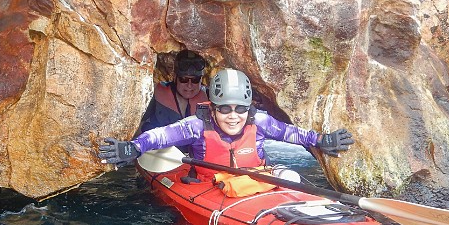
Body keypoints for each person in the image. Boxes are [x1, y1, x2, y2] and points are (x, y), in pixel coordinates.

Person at [99, 68, 354, 181]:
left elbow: (291, 133)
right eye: (224, 109)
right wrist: (134, 147)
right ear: (212, 107)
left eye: (240, 109)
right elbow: (160, 136)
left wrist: (321, 140)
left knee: (291, 177)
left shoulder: (259, 120)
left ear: (249, 107)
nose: (233, 116)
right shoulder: (196, 125)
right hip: (211, 185)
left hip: (256, 181)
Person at [136, 49, 208, 134]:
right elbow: (136, 126)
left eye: (195, 80)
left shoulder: (209, 97)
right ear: (175, 77)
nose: (189, 85)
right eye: (183, 79)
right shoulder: (154, 94)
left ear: (201, 80)